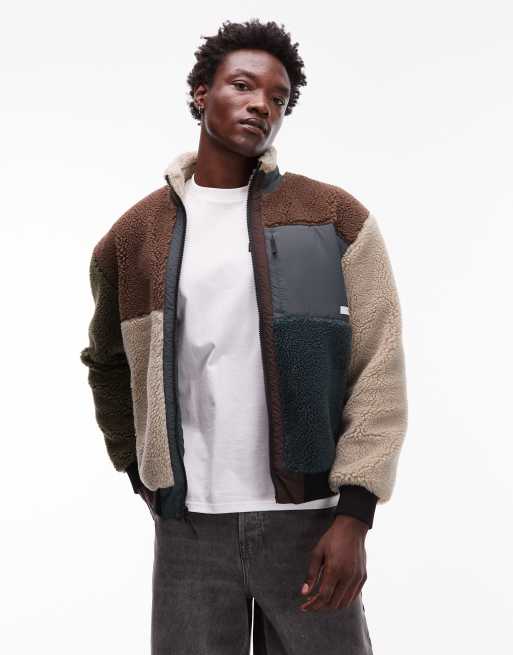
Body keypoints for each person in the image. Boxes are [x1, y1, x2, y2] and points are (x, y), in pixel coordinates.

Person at [80, 18, 408, 655]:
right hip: (189, 530)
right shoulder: (134, 236)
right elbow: (107, 363)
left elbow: (379, 369)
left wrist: (355, 514)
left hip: (310, 524)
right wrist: (140, 470)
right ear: (201, 92)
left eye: (278, 97)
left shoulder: (334, 218)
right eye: (243, 85)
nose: (262, 104)